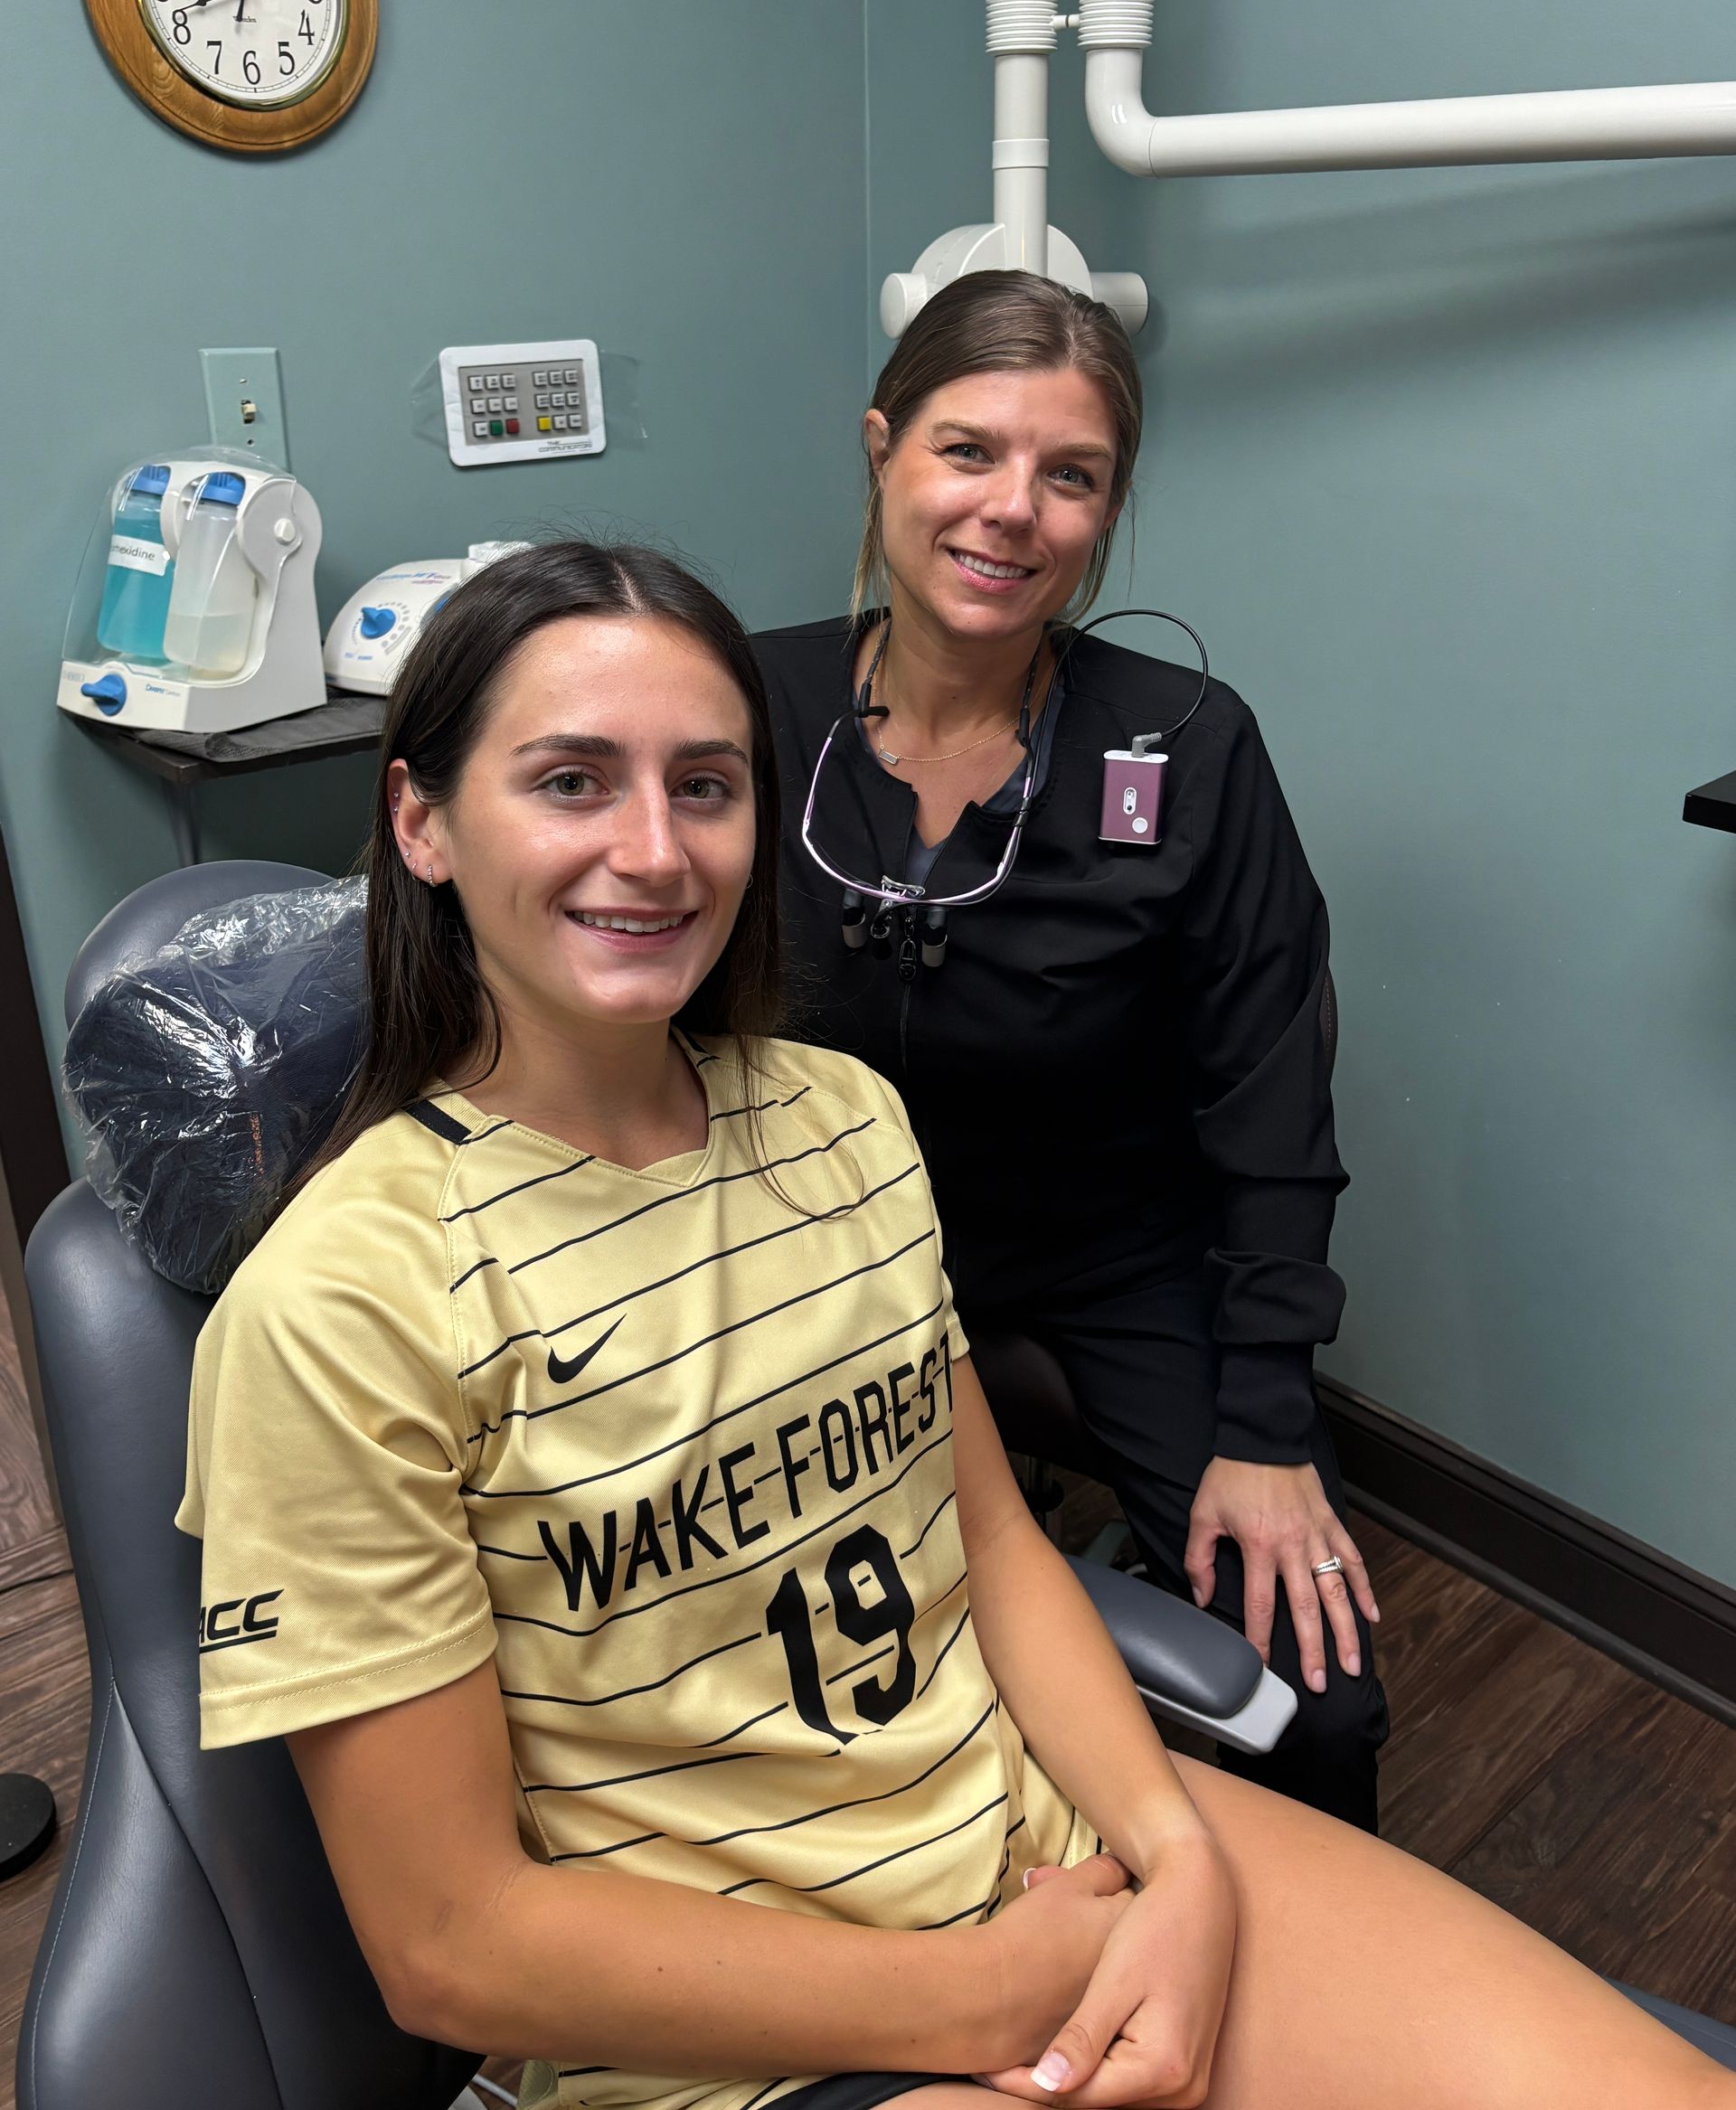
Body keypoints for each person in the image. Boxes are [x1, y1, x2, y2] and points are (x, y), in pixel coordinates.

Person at [175, 540, 1731, 2110]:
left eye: (706, 787)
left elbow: (989, 1542)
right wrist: (974, 1995)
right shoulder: (341, 1305)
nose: (653, 850)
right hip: (740, 2039)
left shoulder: (841, 1117)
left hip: (1050, 1854)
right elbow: (450, 1942)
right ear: (421, 820)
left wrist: (1177, 1853)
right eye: (571, 781)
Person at [754, 270, 1385, 1832]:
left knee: (1318, 1706)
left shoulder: (1190, 748)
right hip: (805, 1256)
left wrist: (1265, 1428)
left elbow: (1267, 1092)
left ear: (1108, 511)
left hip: (1114, 1256)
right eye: (967, 452)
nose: (1011, 511)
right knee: (796, 1674)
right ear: (882, 451)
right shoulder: (745, 709)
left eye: (1071, 475)